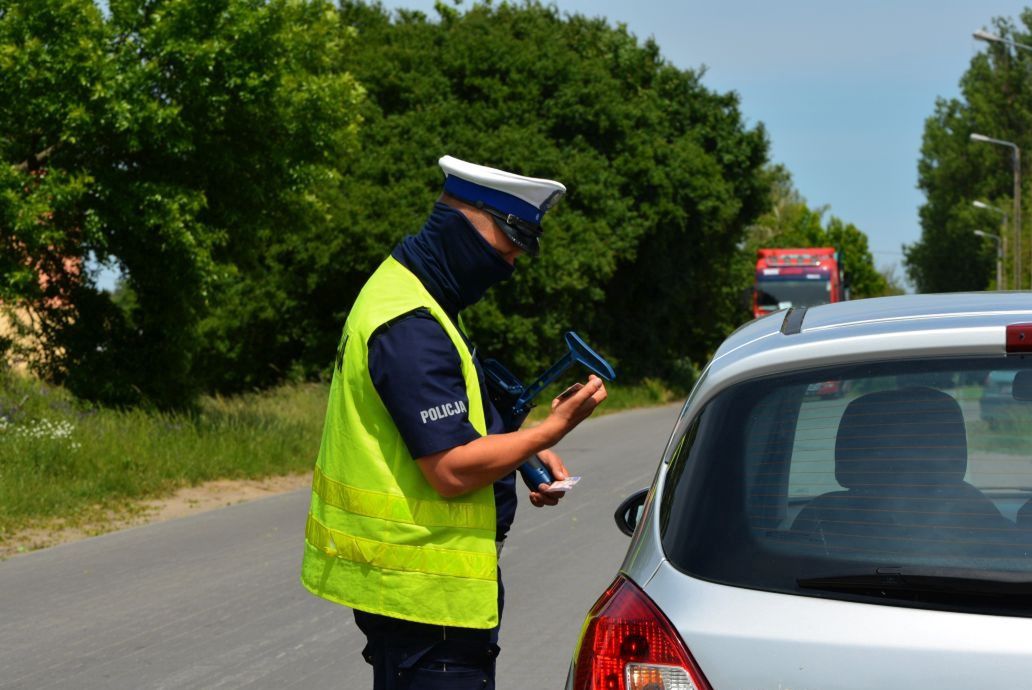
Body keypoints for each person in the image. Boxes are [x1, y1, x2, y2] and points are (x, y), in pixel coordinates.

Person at [300, 155, 608, 690]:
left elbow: (460, 427)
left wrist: (525, 453)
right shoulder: (409, 324)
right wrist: (550, 430)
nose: (508, 266)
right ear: (464, 222)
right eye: (506, 247)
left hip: (432, 604)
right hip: (425, 606)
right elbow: (451, 469)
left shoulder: (422, 297)